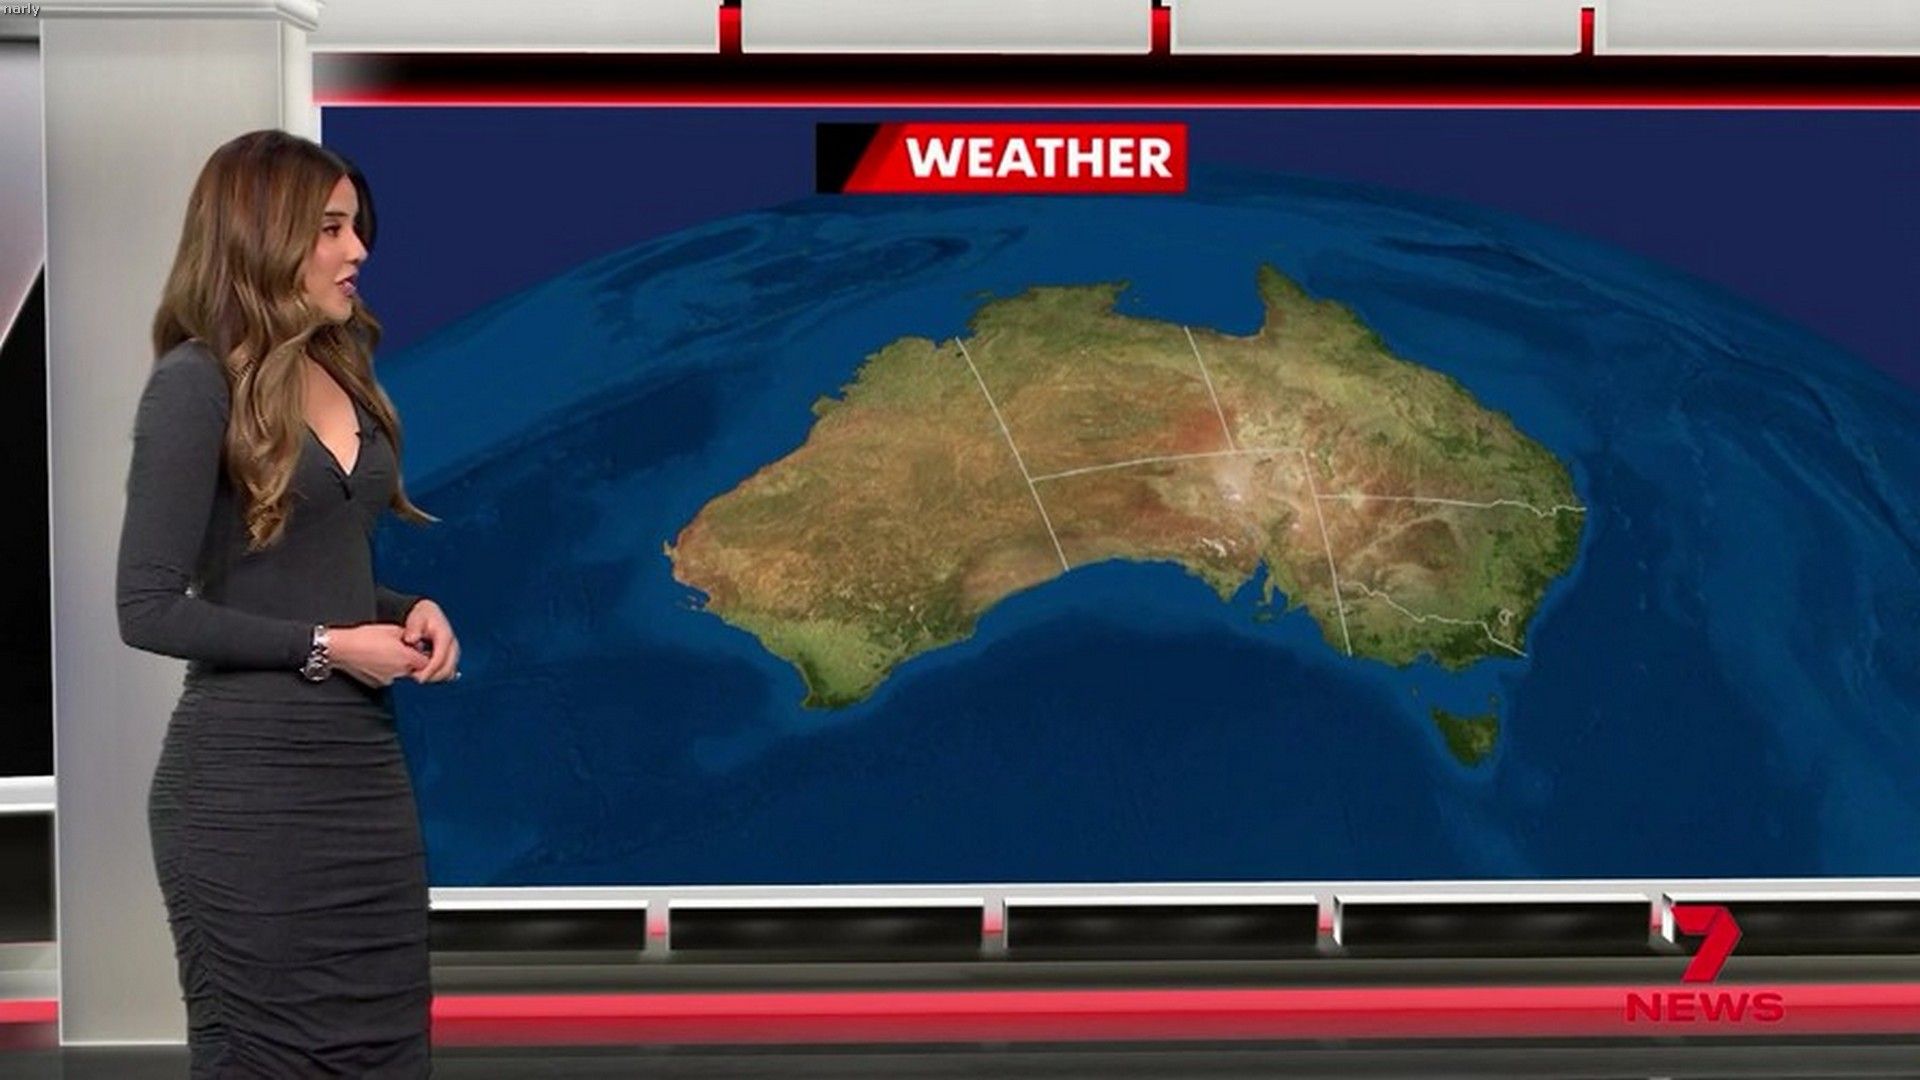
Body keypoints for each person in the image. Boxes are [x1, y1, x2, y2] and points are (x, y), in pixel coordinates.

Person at [116, 128, 461, 1077]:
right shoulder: (193, 386)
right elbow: (147, 607)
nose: (359, 250)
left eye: (357, 227)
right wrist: (332, 647)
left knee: (387, 1049)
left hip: (363, 779)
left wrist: (405, 607)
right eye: (332, 229)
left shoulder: (340, 369)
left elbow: (303, 567)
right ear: (264, 236)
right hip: (247, 791)